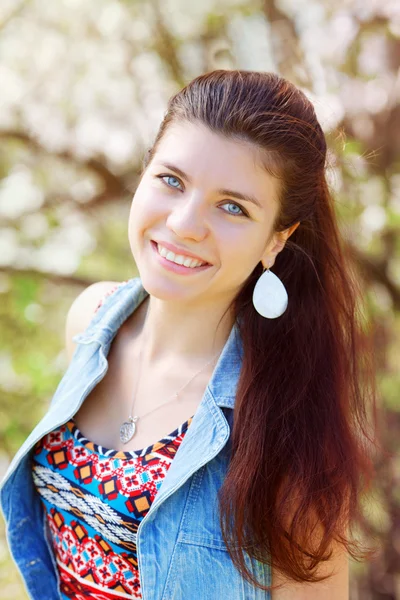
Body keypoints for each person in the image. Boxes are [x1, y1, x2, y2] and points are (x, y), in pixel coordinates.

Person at [0, 69, 378, 600]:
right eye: (171, 180)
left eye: (232, 207)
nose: (183, 223)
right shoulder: (91, 322)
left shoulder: (287, 433)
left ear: (277, 238)